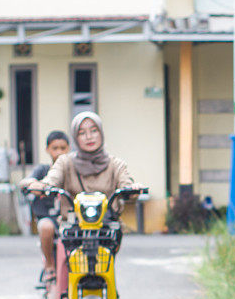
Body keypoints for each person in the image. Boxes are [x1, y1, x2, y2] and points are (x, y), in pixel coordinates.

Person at [21, 111, 143, 281]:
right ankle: (62, 291)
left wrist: (132, 189)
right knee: (66, 258)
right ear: (75, 138)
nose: (89, 137)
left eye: (94, 130)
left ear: (101, 133)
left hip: (106, 226)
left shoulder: (116, 164)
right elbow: (51, 179)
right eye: (82, 133)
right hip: (73, 226)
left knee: (107, 259)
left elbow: (126, 184)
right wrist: (41, 185)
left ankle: (111, 294)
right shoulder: (65, 162)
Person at [20, 131, 69, 282]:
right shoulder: (42, 171)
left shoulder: (73, 171)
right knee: (46, 227)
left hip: (69, 218)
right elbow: (25, 182)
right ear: (47, 149)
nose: (59, 152)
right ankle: (49, 266)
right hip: (49, 218)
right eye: (55, 148)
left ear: (69, 148)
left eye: (63, 148)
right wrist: (35, 185)